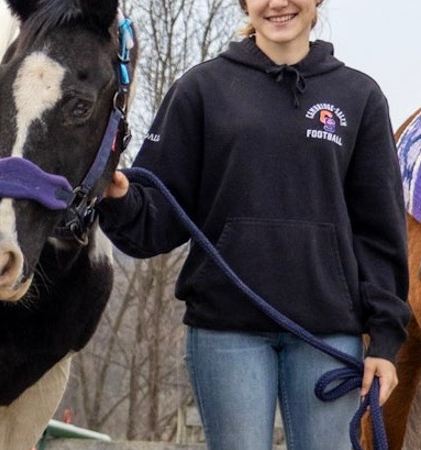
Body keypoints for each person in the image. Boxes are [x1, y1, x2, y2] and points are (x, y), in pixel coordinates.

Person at [98, 0, 410, 448]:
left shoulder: (358, 96)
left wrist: (384, 341)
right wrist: (121, 197)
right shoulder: (201, 89)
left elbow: (380, 233)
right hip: (226, 332)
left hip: (327, 335)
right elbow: (158, 217)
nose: (278, 4)